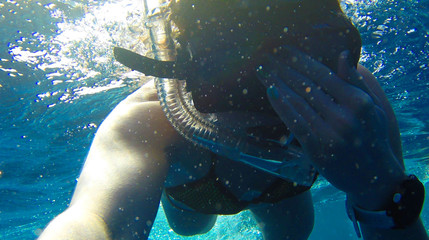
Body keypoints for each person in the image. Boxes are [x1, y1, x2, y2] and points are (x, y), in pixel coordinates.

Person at [39, 0, 427, 239]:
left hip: (283, 191)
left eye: (307, 54)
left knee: (294, 233)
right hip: (198, 192)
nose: (272, 89)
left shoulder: (357, 104)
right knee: (190, 228)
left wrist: (383, 193)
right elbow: (92, 220)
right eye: (233, 63)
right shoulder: (148, 120)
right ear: (186, 61)